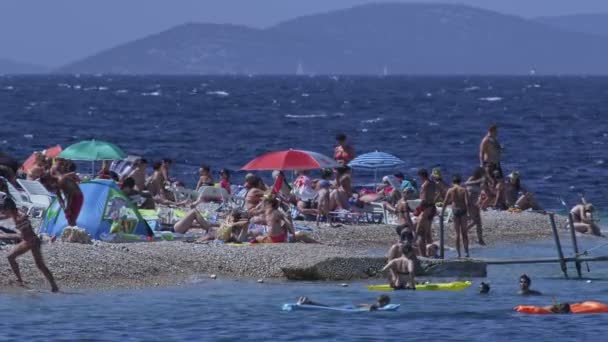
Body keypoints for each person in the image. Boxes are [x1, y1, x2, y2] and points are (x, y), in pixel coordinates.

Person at [0, 192, 59, 292]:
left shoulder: (20, 217)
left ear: (8, 209)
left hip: (31, 242)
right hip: (29, 240)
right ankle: (20, 280)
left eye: (3, 209)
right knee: (12, 258)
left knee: (39, 265)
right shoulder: (15, 212)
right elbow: (3, 216)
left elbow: (22, 235)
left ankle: (54, 286)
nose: (2, 211)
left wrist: (3, 236)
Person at [443, 174, 470, 258]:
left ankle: (458, 254)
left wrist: (442, 213)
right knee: (464, 232)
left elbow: (445, 202)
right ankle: (466, 252)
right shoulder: (463, 190)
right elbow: (467, 202)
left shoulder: (450, 190)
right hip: (463, 210)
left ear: (452, 182)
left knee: (457, 233)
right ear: (460, 182)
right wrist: (468, 213)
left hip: (455, 211)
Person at [416, 169, 437, 257]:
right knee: (428, 233)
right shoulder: (433, 183)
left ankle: (423, 255)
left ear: (421, 176)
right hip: (432, 207)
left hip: (426, 209)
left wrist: (417, 208)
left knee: (420, 232)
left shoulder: (425, 185)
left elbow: (423, 199)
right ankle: (432, 253)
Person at [296, 295, 391, 311]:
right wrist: (370, 309)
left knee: (328, 306)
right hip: (350, 309)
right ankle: (307, 302)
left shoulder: (376, 304)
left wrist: (358, 305)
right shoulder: (377, 306)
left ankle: (307, 301)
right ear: (385, 302)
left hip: (351, 307)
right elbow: (370, 307)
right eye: (387, 302)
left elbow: (363, 304)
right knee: (328, 307)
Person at [466, 167, 485, 245]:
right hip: (469, 202)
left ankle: (480, 240)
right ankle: (464, 230)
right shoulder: (472, 178)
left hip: (475, 202)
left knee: (478, 222)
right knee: (475, 220)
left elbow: (481, 191)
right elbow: (466, 184)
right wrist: (478, 181)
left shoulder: (481, 182)